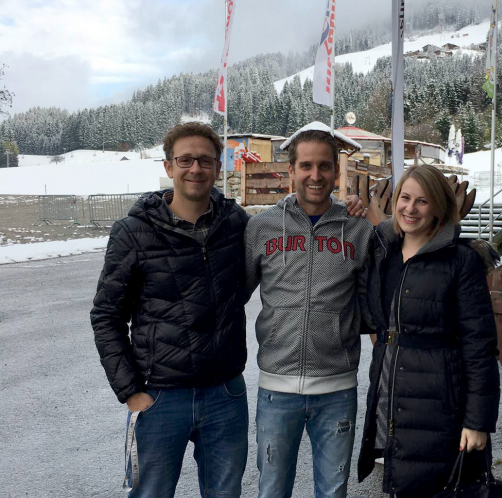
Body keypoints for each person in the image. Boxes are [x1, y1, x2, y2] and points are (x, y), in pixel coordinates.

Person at [91, 122, 249, 498]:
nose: (196, 168)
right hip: (159, 396)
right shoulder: (133, 232)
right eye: (185, 160)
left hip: (225, 392)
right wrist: (130, 392)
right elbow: (106, 315)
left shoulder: (236, 223)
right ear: (168, 166)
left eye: (205, 160)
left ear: (218, 167)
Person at [244, 126, 374, 498]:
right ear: (291, 170)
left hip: (337, 389)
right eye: (305, 166)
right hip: (276, 388)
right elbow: (233, 294)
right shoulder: (262, 227)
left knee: (332, 492)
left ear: (336, 170)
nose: (315, 175)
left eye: (324, 166)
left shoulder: (358, 228)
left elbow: (373, 303)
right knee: (272, 490)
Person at [357, 165, 500, 498]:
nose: (410, 208)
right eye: (405, 198)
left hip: (440, 404)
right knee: (400, 481)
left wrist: (478, 422)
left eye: (422, 201)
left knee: (437, 487)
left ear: (438, 207)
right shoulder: (384, 253)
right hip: (392, 395)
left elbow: (480, 346)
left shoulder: (461, 261)